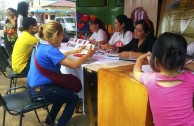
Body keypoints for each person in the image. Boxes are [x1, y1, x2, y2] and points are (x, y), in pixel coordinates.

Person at [27, 21, 95, 126]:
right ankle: (62, 124)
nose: (63, 36)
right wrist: (89, 54)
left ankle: (48, 123)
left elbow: (58, 55)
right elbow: (74, 65)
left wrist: (75, 51)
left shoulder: (41, 45)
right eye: (62, 34)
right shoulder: (50, 49)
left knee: (61, 95)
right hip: (42, 90)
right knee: (73, 98)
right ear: (55, 34)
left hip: (33, 88)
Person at [133, 32, 194, 126]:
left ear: (155, 60)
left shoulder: (151, 79)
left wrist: (140, 59)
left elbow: (136, 72)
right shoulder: (190, 78)